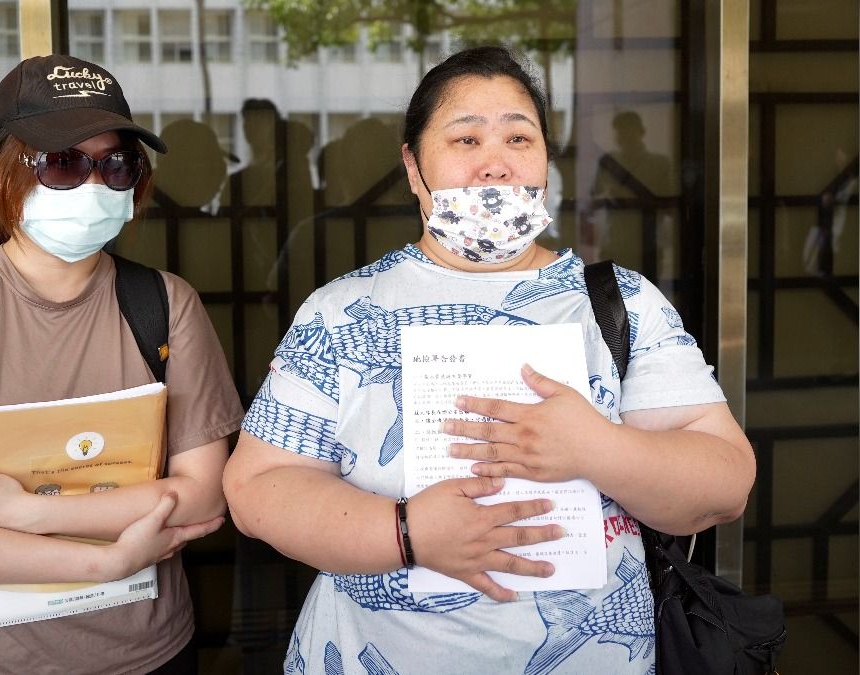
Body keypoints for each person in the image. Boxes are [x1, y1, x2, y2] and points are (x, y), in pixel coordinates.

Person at [222, 46, 755, 674]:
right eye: (465, 139)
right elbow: (256, 487)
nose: (495, 165)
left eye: (519, 138)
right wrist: (405, 533)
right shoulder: (344, 311)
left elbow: (725, 483)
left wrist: (597, 449)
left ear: (546, 163)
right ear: (414, 167)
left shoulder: (619, 303)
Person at [0, 55, 243, 674]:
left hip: (148, 654)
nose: (92, 184)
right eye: (61, 163)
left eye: (115, 164)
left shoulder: (164, 303)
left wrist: (32, 513)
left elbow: (202, 499)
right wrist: (105, 560)